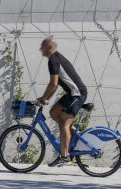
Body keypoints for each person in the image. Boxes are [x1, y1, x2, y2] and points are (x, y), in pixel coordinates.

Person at [37, 37, 88, 167]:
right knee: (54, 113)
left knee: (64, 121)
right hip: (71, 93)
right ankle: (78, 135)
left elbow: (53, 83)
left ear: (49, 48)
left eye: (42, 47)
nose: (40, 49)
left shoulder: (53, 60)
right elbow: (57, 84)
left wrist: (43, 97)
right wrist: (48, 98)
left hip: (77, 94)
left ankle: (65, 157)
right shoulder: (55, 58)